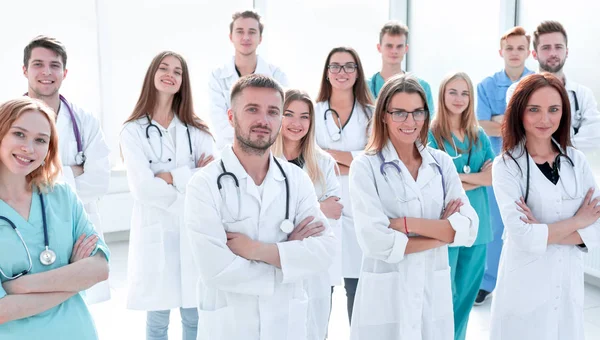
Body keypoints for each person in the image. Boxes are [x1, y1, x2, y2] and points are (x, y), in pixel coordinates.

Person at [184, 74, 335, 340]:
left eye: (273, 112)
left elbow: (323, 251)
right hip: (230, 326)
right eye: (252, 109)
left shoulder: (296, 180)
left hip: (286, 324)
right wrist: (288, 259)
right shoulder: (204, 184)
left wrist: (256, 251)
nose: (263, 121)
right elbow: (215, 269)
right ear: (231, 117)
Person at [348, 74, 478, 340]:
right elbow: (375, 242)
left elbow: (470, 229)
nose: (410, 122)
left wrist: (409, 226)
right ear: (383, 115)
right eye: (400, 113)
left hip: (433, 290)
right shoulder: (365, 166)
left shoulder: (441, 163)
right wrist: (443, 233)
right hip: (386, 294)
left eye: (418, 112)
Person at [489, 73, 600, 339]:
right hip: (524, 283)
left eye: (554, 109)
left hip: (567, 284)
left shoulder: (576, 160)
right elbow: (523, 237)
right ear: (519, 112)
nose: (544, 119)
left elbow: (596, 228)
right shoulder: (507, 165)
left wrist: (543, 230)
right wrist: (577, 222)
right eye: (534, 110)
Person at [120, 51, 216, 340]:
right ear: (152, 74)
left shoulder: (197, 131)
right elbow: (142, 188)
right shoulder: (132, 130)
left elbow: (211, 182)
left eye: (177, 71)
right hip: (157, 232)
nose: (170, 74)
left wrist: (169, 177)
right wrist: (188, 175)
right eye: (164, 68)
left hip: (193, 232)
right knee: (158, 318)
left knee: (194, 314)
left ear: (183, 82)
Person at [0, 97, 110, 339]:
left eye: (40, 140)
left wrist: (21, 286)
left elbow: (100, 268)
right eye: (19, 134)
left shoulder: (61, 196)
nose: (29, 147)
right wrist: (73, 278)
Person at [22, 35, 111, 304]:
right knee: (32, 303)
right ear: (25, 70)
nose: (47, 72)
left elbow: (99, 181)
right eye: (38, 64)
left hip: (78, 228)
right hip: (26, 228)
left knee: (78, 307)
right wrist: (73, 170)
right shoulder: (6, 118)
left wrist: (37, 175)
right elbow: (9, 180)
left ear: (65, 72)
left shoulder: (85, 121)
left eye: (54, 65)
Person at [428, 72, 495, 340]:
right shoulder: (431, 135)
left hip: (478, 227)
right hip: (447, 226)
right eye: (452, 92)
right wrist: (475, 178)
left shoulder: (478, 135)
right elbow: (437, 182)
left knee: (467, 294)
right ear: (442, 95)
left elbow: (492, 178)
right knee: (444, 294)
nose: (459, 98)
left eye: (464, 93)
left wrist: (458, 178)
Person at [272, 89, 343, 339]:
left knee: (314, 329)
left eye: (304, 116)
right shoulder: (264, 158)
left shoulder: (323, 162)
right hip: (276, 258)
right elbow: (264, 212)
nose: (296, 123)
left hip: (315, 265)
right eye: (289, 114)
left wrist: (286, 216)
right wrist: (316, 208)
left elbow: (334, 210)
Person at [475, 26, 534, 306]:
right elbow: (482, 123)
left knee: (529, 219)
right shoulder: (486, 85)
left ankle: (523, 281)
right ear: (501, 52)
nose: (514, 53)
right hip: (496, 162)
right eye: (509, 48)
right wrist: (518, 120)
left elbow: (538, 123)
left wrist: (501, 120)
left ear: (528, 51)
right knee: (495, 225)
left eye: (520, 48)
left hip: (530, 161)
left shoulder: (537, 83)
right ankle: (487, 282)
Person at [314, 46, 373, 323]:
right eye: (335, 66)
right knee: (319, 292)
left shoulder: (372, 114)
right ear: (326, 73)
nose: (342, 72)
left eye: (349, 66)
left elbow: (375, 161)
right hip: (321, 208)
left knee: (357, 292)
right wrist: (354, 158)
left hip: (359, 209)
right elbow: (307, 160)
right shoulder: (311, 113)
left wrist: (329, 156)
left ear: (358, 73)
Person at [506, 21, 600, 152]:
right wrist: (569, 143)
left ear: (566, 52)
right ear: (534, 54)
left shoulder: (583, 94)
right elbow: (518, 134)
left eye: (558, 47)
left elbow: (594, 138)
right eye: (546, 48)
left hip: (572, 169)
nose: (553, 53)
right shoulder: (517, 91)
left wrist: (546, 145)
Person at [209, 10, 289, 150]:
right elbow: (220, 124)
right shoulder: (217, 77)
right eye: (240, 31)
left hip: (268, 151)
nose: (246, 37)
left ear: (260, 38)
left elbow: (281, 118)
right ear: (231, 37)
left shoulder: (277, 75)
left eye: (252, 32)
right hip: (229, 153)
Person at [368, 21, 434, 112]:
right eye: (389, 46)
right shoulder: (365, 87)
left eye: (399, 46)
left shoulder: (422, 86)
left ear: (406, 49)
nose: (394, 51)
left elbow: (427, 123)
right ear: (379, 48)